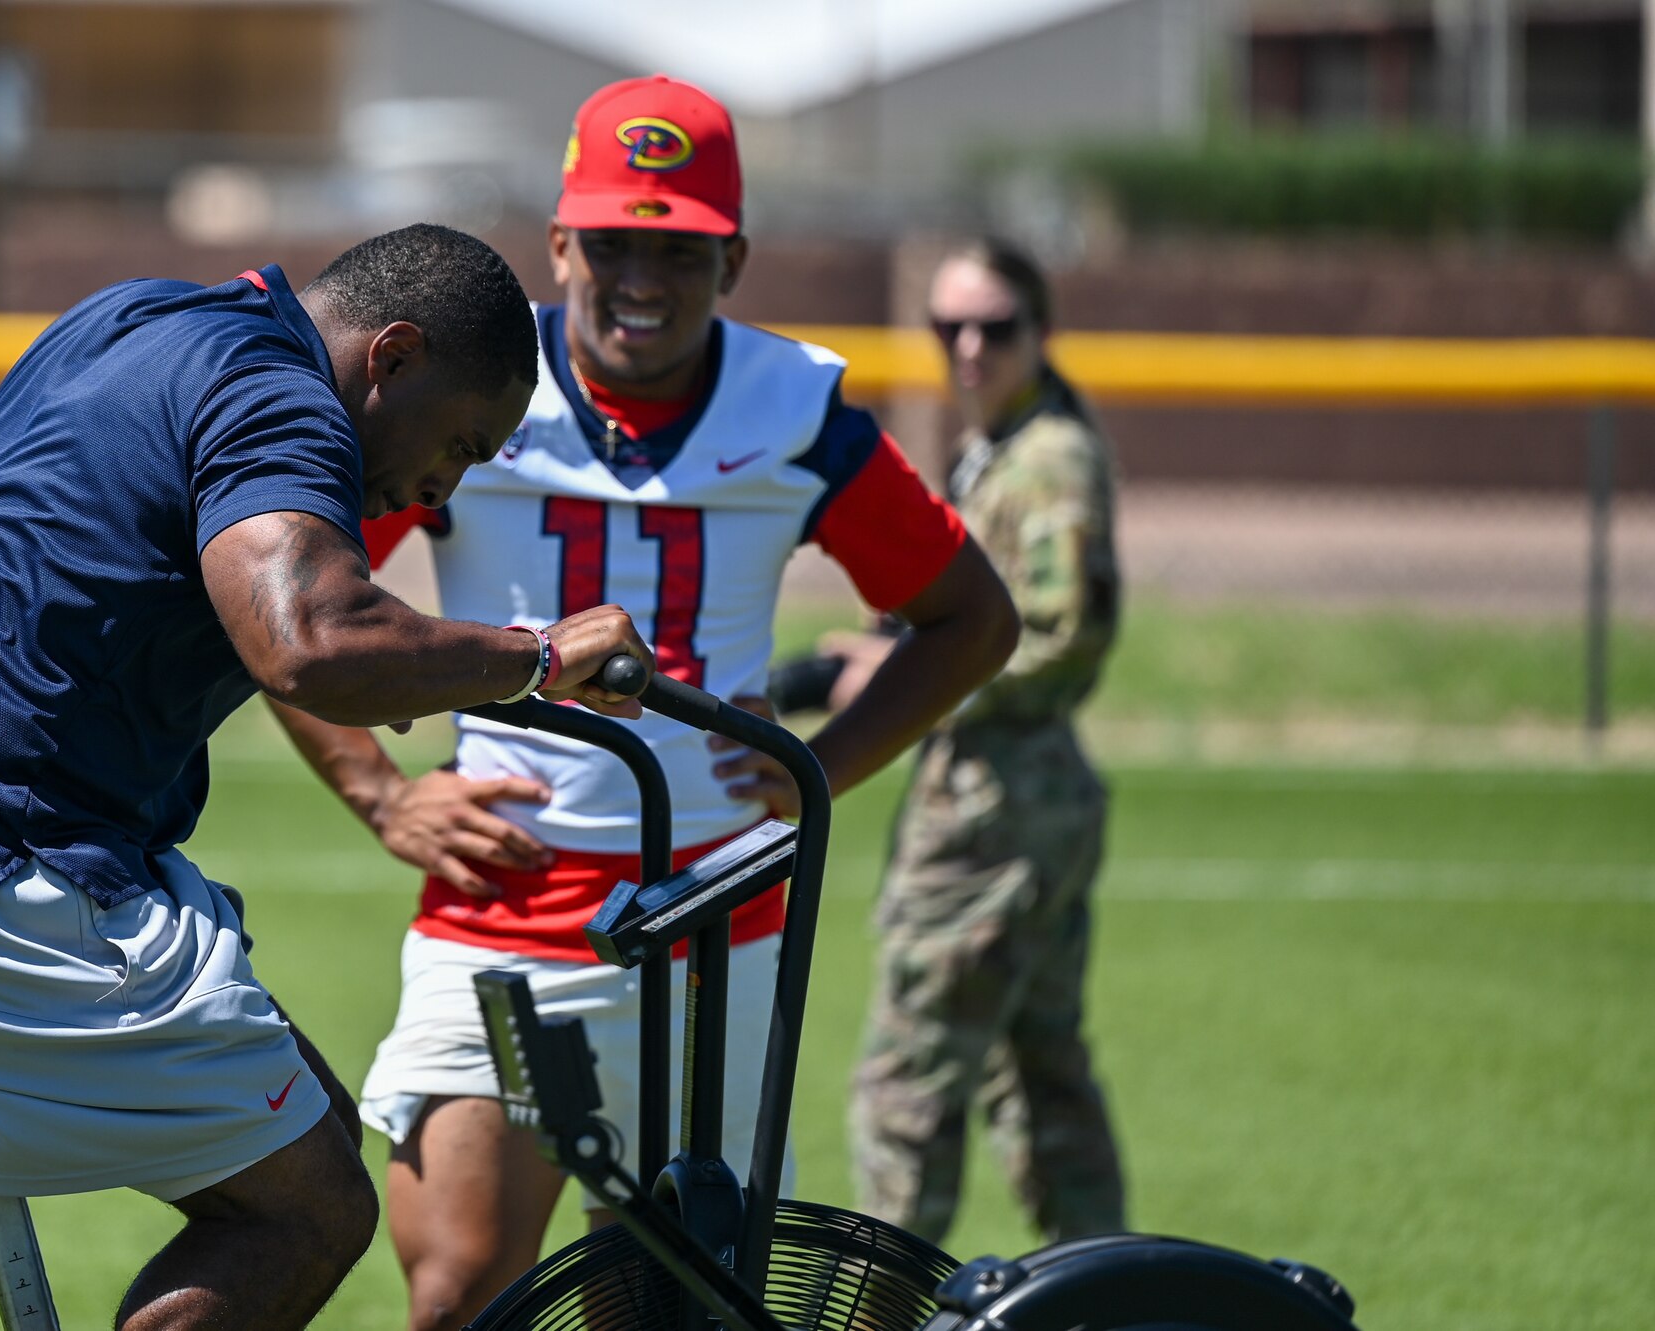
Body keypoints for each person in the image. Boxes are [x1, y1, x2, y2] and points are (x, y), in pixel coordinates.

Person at [0, 223, 654, 1331]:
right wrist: (535, 659)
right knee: (305, 1213)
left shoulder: (140, 315)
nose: (439, 482)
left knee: (316, 1132)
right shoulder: (281, 399)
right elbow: (307, 640)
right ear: (393, 356)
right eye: (462, 441)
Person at [269, 76, 1019, 1331]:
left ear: (730, 254)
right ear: (560, 242)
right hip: (501, 903)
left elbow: (971, 617)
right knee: (458, 1287)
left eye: (672, 247)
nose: (640, 277)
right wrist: (380, 792)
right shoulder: (470, 386)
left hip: (712, 913)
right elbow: (290, 606)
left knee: (670, 1304)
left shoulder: (793, 416)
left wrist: (818, 764)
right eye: (613, 240)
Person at [828, 237, 1129, 1246]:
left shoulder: (1046, 458)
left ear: (1039, 331)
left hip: (996, 809)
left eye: (992, 327)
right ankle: (1116, 1310)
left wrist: (913, 680)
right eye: (946, 327)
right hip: (1017, 799)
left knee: (906, 1087)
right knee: (1040, 1077)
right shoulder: (1002, 440)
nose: (967, 347)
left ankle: (877, 1309)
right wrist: (881, 654)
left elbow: (1060, 638)